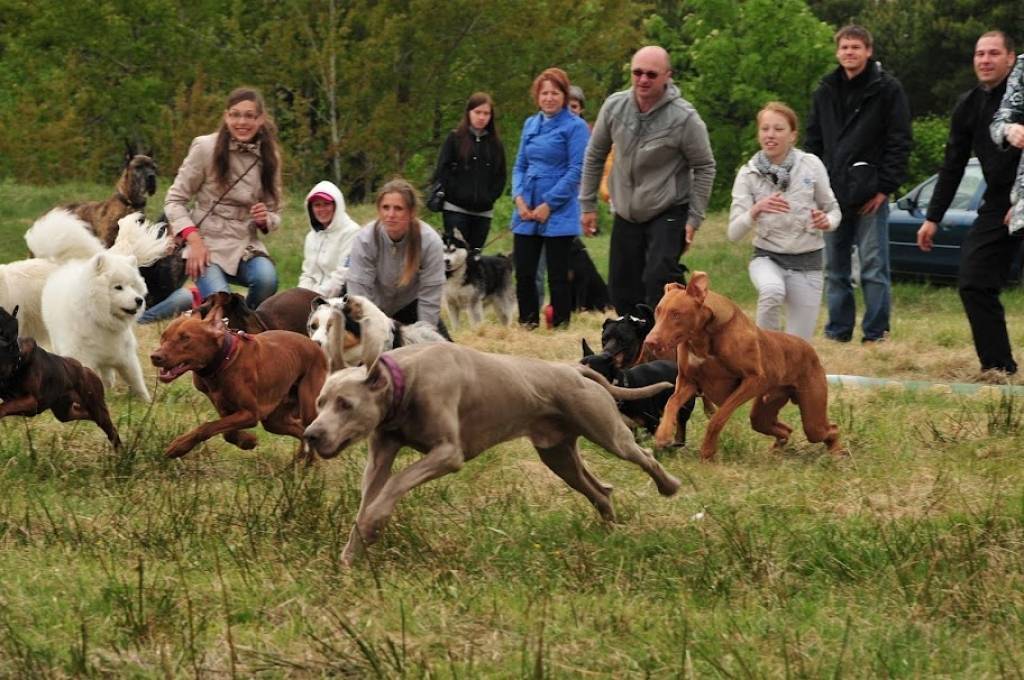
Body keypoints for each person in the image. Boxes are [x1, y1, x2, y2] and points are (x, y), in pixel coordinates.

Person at [579, 45, 716, 316]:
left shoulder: (685, 118)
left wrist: (694, 218)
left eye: (651, 75)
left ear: (667, 75)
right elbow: (594, 154)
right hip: (627, 210)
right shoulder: (614, 107)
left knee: (658, 278)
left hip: (668, 209)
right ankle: (633, 349)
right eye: (637, 73)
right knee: (620, 287)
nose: (643, 80)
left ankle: (670, 344)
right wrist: (587, 205)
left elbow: (704, 166)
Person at [916, 33, 1020, 374]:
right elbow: (953, 164)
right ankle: (997, 369)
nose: (985, 60)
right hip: (998, 200)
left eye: (994, 53)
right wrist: (933, 217)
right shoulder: (969, 105)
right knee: (974, 281)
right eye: (979, 54)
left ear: (1011, 58)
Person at [805, 25, 912, 343]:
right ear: (837, 52)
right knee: (835, 269)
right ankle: (838, 331)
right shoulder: (825, 89)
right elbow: (814, 141)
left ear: (869, 51)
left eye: (856, 47)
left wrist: (885, 187)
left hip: (870, 194)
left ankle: (876, 332)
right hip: (832, 194)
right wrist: (813, 187)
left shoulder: (888, 89)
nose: (849, 52)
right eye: (844, 47)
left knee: (873, 268)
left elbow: (900, 140)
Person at [140, 86, 283, 324]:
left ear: (260, 119)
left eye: (249, 116)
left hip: (244, 243)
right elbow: (174, 200)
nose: (242, 122)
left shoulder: (270, 156)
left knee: (267, 279)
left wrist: (264, 219)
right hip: (205, 241)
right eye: (235, 114)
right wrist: (194, 241)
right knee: (220, 299)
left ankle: (243, 326)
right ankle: (226, 327)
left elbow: (275, 212)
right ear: (226, 116)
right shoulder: (205, 147)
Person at [728, 102, 841, 339]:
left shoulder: (811, 165)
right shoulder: (748, 174)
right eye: (765, 129)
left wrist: (826, 221)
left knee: (798, 347)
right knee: (771, 291)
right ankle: (764, 352)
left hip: (808, 263)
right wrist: (755, 210)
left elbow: (833, 211)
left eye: (778, 129)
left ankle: (784, 368)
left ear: (793, 136)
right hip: (768, 258)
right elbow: (733, 233)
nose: (770, 135)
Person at [511, 67, 590, 328]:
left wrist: (549, 204)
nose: (549, 98)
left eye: (555, 93)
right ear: (537, 96)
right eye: (544, 93)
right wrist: (519, 198)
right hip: (526, 208)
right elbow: (520, 165)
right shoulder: (530, 124)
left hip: (559, 210)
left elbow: (576, 170)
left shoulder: (575, 127)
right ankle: (527, 323)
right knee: (524, 272)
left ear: (565, 96)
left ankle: (560, 326)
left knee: (557, 275)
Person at [346, 178, 448, 334]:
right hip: (372, 307)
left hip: (409, 306)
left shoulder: (430, 242)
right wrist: (369, 334)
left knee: (445, 352)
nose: (390, 214)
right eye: (385, 207)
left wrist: (426, 339)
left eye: (398, 208)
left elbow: (430, 298)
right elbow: (359, 296)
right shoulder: (365, 239)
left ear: (411, 212)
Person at [431, 92, 507, 251]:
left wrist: (490, 197)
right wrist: (455, 192)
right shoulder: (455, 138)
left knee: (475, 259)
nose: (481, 117)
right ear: (469, 113)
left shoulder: (496, 144)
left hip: (483, 212)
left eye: (486, 113)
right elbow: (443, 170)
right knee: (456, 255)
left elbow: (500, 175)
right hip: (456, 209)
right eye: (478, 112)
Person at [298, 180, 361, 298]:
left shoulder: (352, 232)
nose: (322, 209)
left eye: (326, 204)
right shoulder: (311, 237)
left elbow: (342, 275)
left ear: (337, 205)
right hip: (312, 298)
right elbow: (308, 274)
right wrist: (299, 297)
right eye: (317, 205)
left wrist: (315, 298)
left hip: (339, 298)